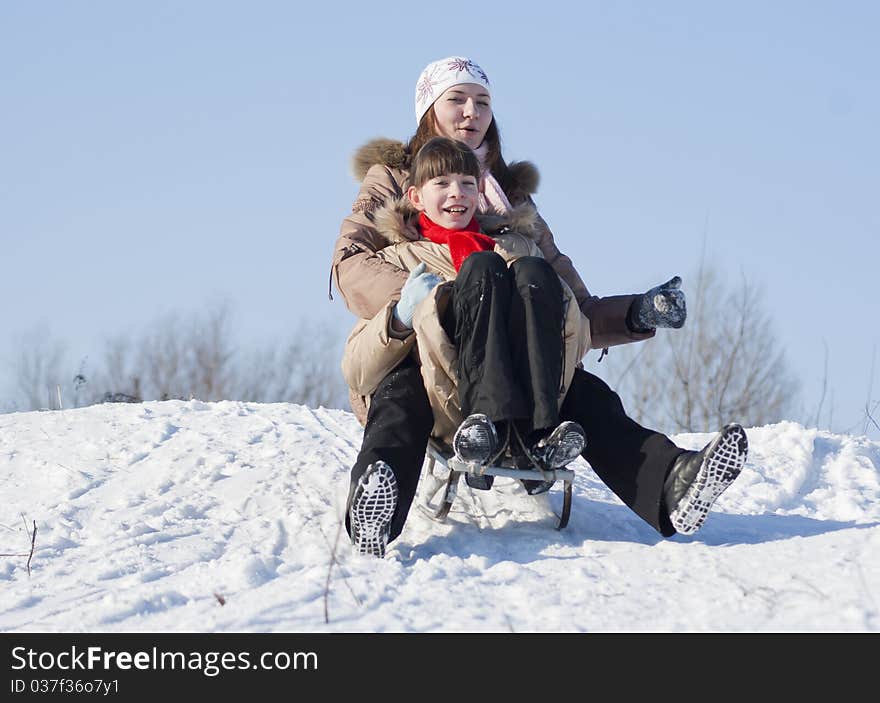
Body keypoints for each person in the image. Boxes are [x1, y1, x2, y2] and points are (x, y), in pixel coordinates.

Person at [331, 56, 748, 558]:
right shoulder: (395, 179)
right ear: (428, 112)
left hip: (513, 361)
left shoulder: (512, 206)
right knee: (402, 402)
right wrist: (437, 301)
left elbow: (566, 301)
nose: (471, 113)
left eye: (482, 102)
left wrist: (637, 312)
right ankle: (378, 504)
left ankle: (671, 484)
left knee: (585, 394)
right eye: (456, 100)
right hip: (427, 352)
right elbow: (353, 265)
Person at [342, 135, 591, 498]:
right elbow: (356, 369)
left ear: (479, 194)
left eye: (467, 184)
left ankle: (542, 438)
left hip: (531, 390)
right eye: (442, 184)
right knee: (399, 398)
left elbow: (576, 333)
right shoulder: (402, 258)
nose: (456, 193)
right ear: (415, 197)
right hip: (447, 391)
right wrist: (400, 314)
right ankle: (382, 497)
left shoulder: (519, 247)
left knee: (534, 275)